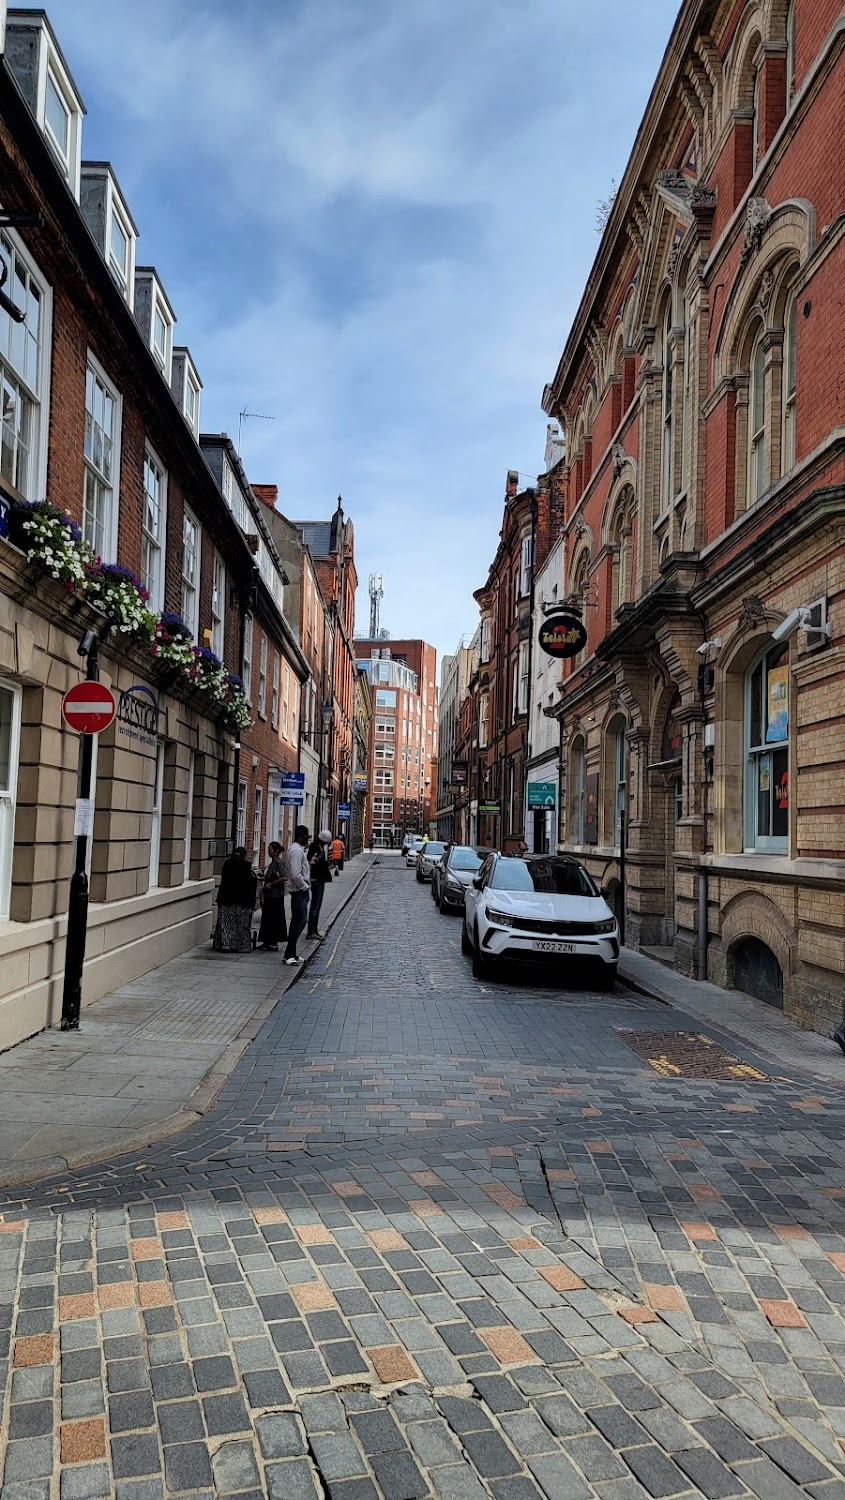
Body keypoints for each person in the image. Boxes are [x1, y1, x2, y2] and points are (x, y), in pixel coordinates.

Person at [213, 847, 257, 952]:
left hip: (226, 899)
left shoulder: (227, 864)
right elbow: (250, 883)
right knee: (241, 924)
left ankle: (226, 944)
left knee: (226, 923)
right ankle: (242, 945)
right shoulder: (246, 866)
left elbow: (225, 880)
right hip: (242, 900)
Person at [283, 824, 311, 965]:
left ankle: (292, 953)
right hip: (299, 892)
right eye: (306, 836)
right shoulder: (296, 851)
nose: (308, 839)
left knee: (296, 921)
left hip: (299, 892)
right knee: (299, 922)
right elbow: (295, 873)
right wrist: (304, 886)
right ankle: (288, 954)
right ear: (302, 836)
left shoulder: (297, 850)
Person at [257, 841, 287, 951]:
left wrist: (271, 884)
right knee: (267, 919)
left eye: (270, 850)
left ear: (276, 852)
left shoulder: (278, 863)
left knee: (274, 919)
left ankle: (273, 943)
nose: (268, 852)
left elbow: (284, 877)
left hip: (275, 896)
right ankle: (267, 942)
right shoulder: (272, 863)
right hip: (269, 896)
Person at [307, 829, 333, 939]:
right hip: (316, 880)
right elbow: (314, 862)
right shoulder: (316, 848)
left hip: (319, 879)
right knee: (315, 906)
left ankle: (314, 930)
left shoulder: (320, 847)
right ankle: (311, 931)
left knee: (316, 906)